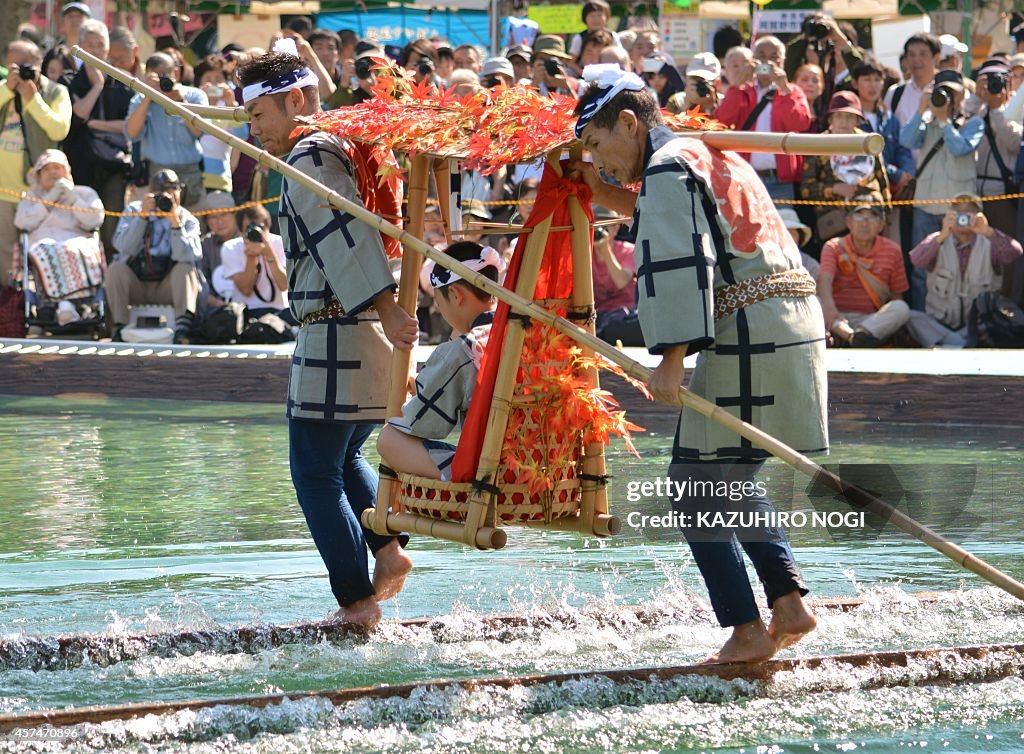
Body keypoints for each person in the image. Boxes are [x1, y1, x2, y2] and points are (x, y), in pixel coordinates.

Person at [572, 64, 826, 663]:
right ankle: (787, 603)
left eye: (597, 144)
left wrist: (671, 357)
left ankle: (744, 629)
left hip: (749, 334)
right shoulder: (702, 153)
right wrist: (588, 180)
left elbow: (683, 261)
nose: (598, 159)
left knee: (692, 484)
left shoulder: (667, 168)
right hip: (789, 327)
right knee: (726, 478)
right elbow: (652, 215)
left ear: (629, 124)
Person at [238, 44, 417, 627]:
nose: (254, 128)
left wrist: (388, 308)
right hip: (358, 332)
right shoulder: (329, 147)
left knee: (314, 472)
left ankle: (358, 603)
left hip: (339, 332)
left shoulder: (311, 157)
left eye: (260, 114)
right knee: (341, 460)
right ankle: (387, 551)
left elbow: (346, 239)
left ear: (295, 100)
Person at [377, 242, 499, 480]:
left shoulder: (463, 350)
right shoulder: (522, 333)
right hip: (536, 465)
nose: (439, 309)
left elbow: (420, 422)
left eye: (438, 302)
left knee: (389, 439)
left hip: (489, 474)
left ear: (455, 294)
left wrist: (419, 385)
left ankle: (461, 486)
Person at [899, 68, 982, 309]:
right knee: (922, 266)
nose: (946, 97)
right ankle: (921, 321)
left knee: (959, 266)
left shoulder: (973, 123)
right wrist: (920, 110)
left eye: (952, 93)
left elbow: (960, 148)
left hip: (958, 208)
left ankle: (959, 321)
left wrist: (945, 121)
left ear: (962, 95)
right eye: (941, 91)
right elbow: (906, 140)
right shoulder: (927, 122)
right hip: (926, 205)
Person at [0, 40, 73, 285]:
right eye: (14, 65)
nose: (19, 71)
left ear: (38, 64)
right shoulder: (3, 89)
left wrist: (33, 99)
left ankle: (39, 310)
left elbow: (59, 130)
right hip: (4, 191)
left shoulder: (55, 92)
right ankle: (8, 313)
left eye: (25, 65)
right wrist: (7, 90)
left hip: (40, 192)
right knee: (4, 258)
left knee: (41, 252)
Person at [909, 194, 1022, 346]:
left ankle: (951, 345)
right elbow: (916, 259)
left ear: (979, 215)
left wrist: (987, 231)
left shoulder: (990, 241)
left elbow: (1014, 253)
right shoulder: (938, 239)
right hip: (940, 324)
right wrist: (942, 234)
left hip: (977, 325)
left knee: (1003, 320)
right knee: (912, 318)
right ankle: (961, 345)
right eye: (957, 211)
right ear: (948, 215)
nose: (962, 217)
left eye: (968, 212)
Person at [106, 169, 203, 343]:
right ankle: (118, 327)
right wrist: (142, 218)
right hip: (137, 284)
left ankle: (183, 329)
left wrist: (175, 222)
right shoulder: (135, 210)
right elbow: (122, 247)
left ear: (181, 191)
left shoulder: (187, 219)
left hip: (168, 287)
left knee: (186, 268)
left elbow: (189, 255)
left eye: (173, 189)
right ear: (151, 193)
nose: (167, 195)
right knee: (116, 269)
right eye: (161, 191)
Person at [65, 19, 134, 258]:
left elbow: (130, 124)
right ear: (80, 46)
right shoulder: (70, 79)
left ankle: (111, 275)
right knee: (80, 222)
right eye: (89, 44)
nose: (95, 50)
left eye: (100, 44)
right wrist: (96, 87)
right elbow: (78, 114)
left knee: (112, 224)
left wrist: (96, 124)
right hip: (80, 163)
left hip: (115, 165)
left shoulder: (124, 80)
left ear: (108, 48)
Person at [714, 36, 812, 200]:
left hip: (780, 181)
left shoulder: (792, 91)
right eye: (762, 56)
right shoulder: (742, 90)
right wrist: (736, 86)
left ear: (783, 61)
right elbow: (721, 121)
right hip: (745, 176)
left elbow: (800, 123)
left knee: (785, 223)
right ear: (753, 60)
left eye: (774, 57)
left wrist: (783, 87)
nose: (767, 61)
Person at [14, 150, 104, 315]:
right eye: (47, 169)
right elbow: (22, 222)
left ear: (67, 171)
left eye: (57, 167)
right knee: (46, 251)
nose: (53, 172)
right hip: (42, 244)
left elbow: (94, 220)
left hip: (77, 241)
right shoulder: (31, 196)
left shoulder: (85, 193)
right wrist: (48, 200)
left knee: (73, 250)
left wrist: (72, 198)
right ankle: (55, 305)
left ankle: (73, 304)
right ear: (38, 175)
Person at [816, 197, 910, 347]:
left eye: (872, 217)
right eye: (859, 216)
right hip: (837, 317)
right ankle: (852, 337)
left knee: (901, 307)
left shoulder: (893, 250)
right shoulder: (833, 246)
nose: (864, 223)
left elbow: (896, 294)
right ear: (849, 222)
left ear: (881, 225)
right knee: (815, 302)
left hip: (872, 320)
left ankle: (859, 336)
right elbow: (825, 280)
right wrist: (829, 307)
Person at [800, 91, 890, 242]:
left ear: (857, 120)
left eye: (849, 117)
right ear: (831, 119)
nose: (844, 121)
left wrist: (885, 218)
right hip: (834, 222)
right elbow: (806, 189)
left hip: (869, 218)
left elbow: (882, 183)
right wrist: (834, 189)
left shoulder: (868, 143)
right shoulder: (818, 145)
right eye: (839, 116)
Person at [125, 52, 209, 209]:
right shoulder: (139, 99)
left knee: (194, 225)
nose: (161, 80)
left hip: (190, 175)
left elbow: (199, 131)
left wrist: (181, 102)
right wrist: (148, 96)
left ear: (175, 73)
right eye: (155, 76)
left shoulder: (195, 96)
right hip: (156, 175)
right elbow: (132, 133)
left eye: (165, 75)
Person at [218, 204, 288, 314]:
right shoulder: (230, 248)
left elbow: (284, 285)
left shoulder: (280, 242)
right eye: (249, 228)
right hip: (246, 313)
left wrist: (268, 252)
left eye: (260, 226)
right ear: (241, 231)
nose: (256, 231)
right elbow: (246, 290)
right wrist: (251, 255)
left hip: (279, 311)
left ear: (267, 226)